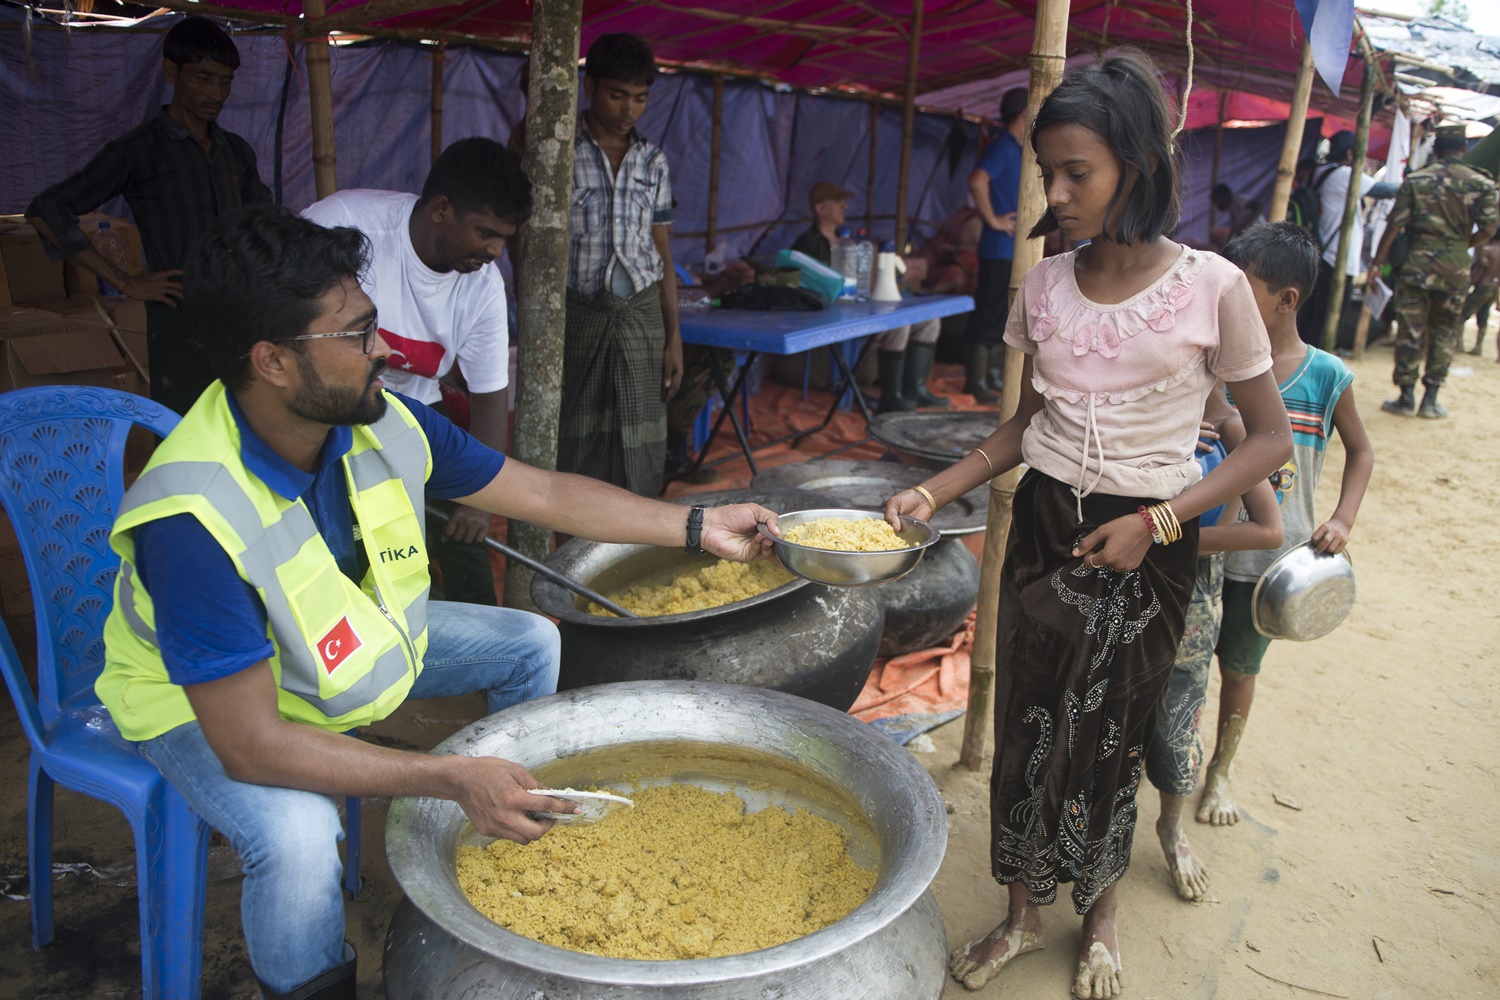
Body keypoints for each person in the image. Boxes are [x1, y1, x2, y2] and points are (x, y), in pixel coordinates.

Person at [96, 204, 778, 999]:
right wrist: (450, 777)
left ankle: (516, 831)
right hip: (201, 704)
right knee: (298, 837)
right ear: (273, 361)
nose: (385, 349)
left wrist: (696, 525)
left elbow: (544, 491)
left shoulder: (378, 419)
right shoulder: (190, 518)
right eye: (356, 334)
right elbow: (252, 745)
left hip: (331, 648)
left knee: (528, 638)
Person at [881, 51, 1292, 1000]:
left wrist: (1160, 519)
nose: (1057, 193)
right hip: (1042, 531)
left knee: (1110, 728)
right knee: (1030, 720)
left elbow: (1267, 440)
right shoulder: (1045, 283)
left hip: (1150, 540)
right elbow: (1024, 427)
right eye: (1048, 174)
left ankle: (1101, 918)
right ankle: (1023, 912)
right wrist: (935, 492)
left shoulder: (1213, 286)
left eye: (1079, 174)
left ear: (1136, 170)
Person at [1199, 222, 1374, 828]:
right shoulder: (1217, 364)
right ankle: (1179, 754)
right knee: (1188, 654)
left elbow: (1362, 451)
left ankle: (1219, 770)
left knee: (1240, 668)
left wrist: (1343, 518)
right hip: (1204, 543)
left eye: (1243, 291)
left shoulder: (1327, 376)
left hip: (1271, 557)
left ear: (1287, 299)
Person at [302, 138, 522, 607]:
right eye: (486, 232)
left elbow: (488, 396)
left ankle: (490, 651)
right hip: (328, 408)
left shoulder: (482, 286)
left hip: (418, 411)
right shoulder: (344, 226)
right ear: (441, 209)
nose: (496, 251)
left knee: (465, 537)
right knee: (348, 540)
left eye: (505, 237)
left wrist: (479, 499)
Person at [25, 15, 272, 415]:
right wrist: (125, 281)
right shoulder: (140, 150)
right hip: (178, 320)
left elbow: (266, 224)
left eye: (225, 80)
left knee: (247, 428)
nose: (217, 92)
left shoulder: (236, 151)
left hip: (240, 315)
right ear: (171, 71)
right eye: (204, 78)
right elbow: (47, 210)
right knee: (183, 429)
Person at [1147, 419, 1281, 902]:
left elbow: (1266, 528)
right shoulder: (1136, 402)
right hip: (1115, 570)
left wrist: (1158, 540)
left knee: (1179, 712)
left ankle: (1171, 825)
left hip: (1191, 580)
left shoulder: (1232, 427)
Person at [558, 33, 682, 496]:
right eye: (617, 95)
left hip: (643, 315)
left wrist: (674, 338)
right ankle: (575, 546)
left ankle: (636, 540)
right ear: (589, 88)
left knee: (642, 439)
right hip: (580, 314)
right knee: (578, 437)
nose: (629, 109)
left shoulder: (653, 162)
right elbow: (534, 250)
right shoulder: (561, 153)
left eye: (640, 98)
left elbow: (663, 253)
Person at [1369, 124, 1498, 418]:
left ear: (1436, 150)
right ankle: (1431, 399)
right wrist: (1463, 242)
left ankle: (1405, 396)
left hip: (1417, 265)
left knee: (1410, 330)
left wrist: (1377, 264)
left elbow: (1394, 226)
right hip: (1455, 269)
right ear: (1464, 148)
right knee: (1444, 332)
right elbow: (1489, 228)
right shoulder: (1480, 183)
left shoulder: (1417, 180)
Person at [790, 182, 947, 412]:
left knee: (930, 321)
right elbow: (809, 285)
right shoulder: (808, 244)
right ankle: (890, 397)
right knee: (899, 326)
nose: (844, 206)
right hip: (831, 318)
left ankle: (914, 388)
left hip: (858, 310)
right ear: (820, 208)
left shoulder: (851, 243)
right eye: (838, 202)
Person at [1297, 130, 1399, 348]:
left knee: (1313, 317)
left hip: (1322, 254)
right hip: (1337, 258)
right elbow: (1386, 190)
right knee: (1328, 321)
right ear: (1352, 153)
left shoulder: (1320, 172)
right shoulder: (1344, 175)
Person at [963, 86, 1027, 403]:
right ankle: (975, 381)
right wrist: (992, 220)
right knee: (988, 313)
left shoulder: (1018, 147)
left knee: (1002, 314)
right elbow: (977, 180)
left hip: (1010, 248)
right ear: (1024, 114)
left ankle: (991, 376)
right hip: (997, 247)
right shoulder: (1002, 145)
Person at [1464, 233, 1499, 358]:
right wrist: (1497, 299)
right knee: (1483, 317)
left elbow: (1477, 272)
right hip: (1493, 288)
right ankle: (1478, 346)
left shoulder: (1486, 251)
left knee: (1463, 315)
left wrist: (1466, 289)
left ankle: (1458, 345)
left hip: (1482, 286)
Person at [1209, 183, 1265, 248]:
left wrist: (1245, 224)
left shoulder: (1239, 199)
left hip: (1259, 235)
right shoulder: (1231, 208)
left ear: (1223, 196)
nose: (1217, 205)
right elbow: (1235, 230)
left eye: (1217, 201)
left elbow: (1258, 207)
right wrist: (1226, 246)